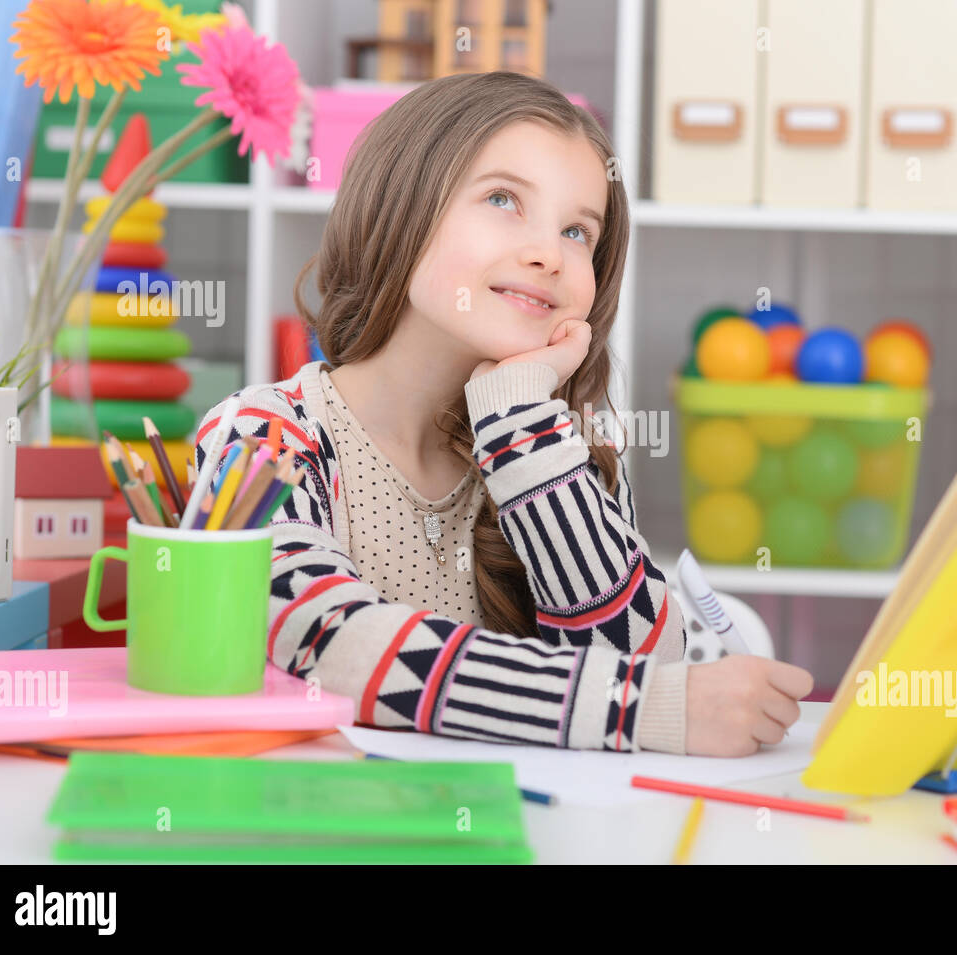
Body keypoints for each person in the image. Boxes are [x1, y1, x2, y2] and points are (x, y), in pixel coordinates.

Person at [193, 71, 813, 756]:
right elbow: (324, 641)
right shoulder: (267, 435)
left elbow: (644, 657)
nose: (550, 254)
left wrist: (518, 422)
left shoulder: (557, 454)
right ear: (400, 204)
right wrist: (635, 710)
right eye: (502, 198)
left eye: (579, 231)